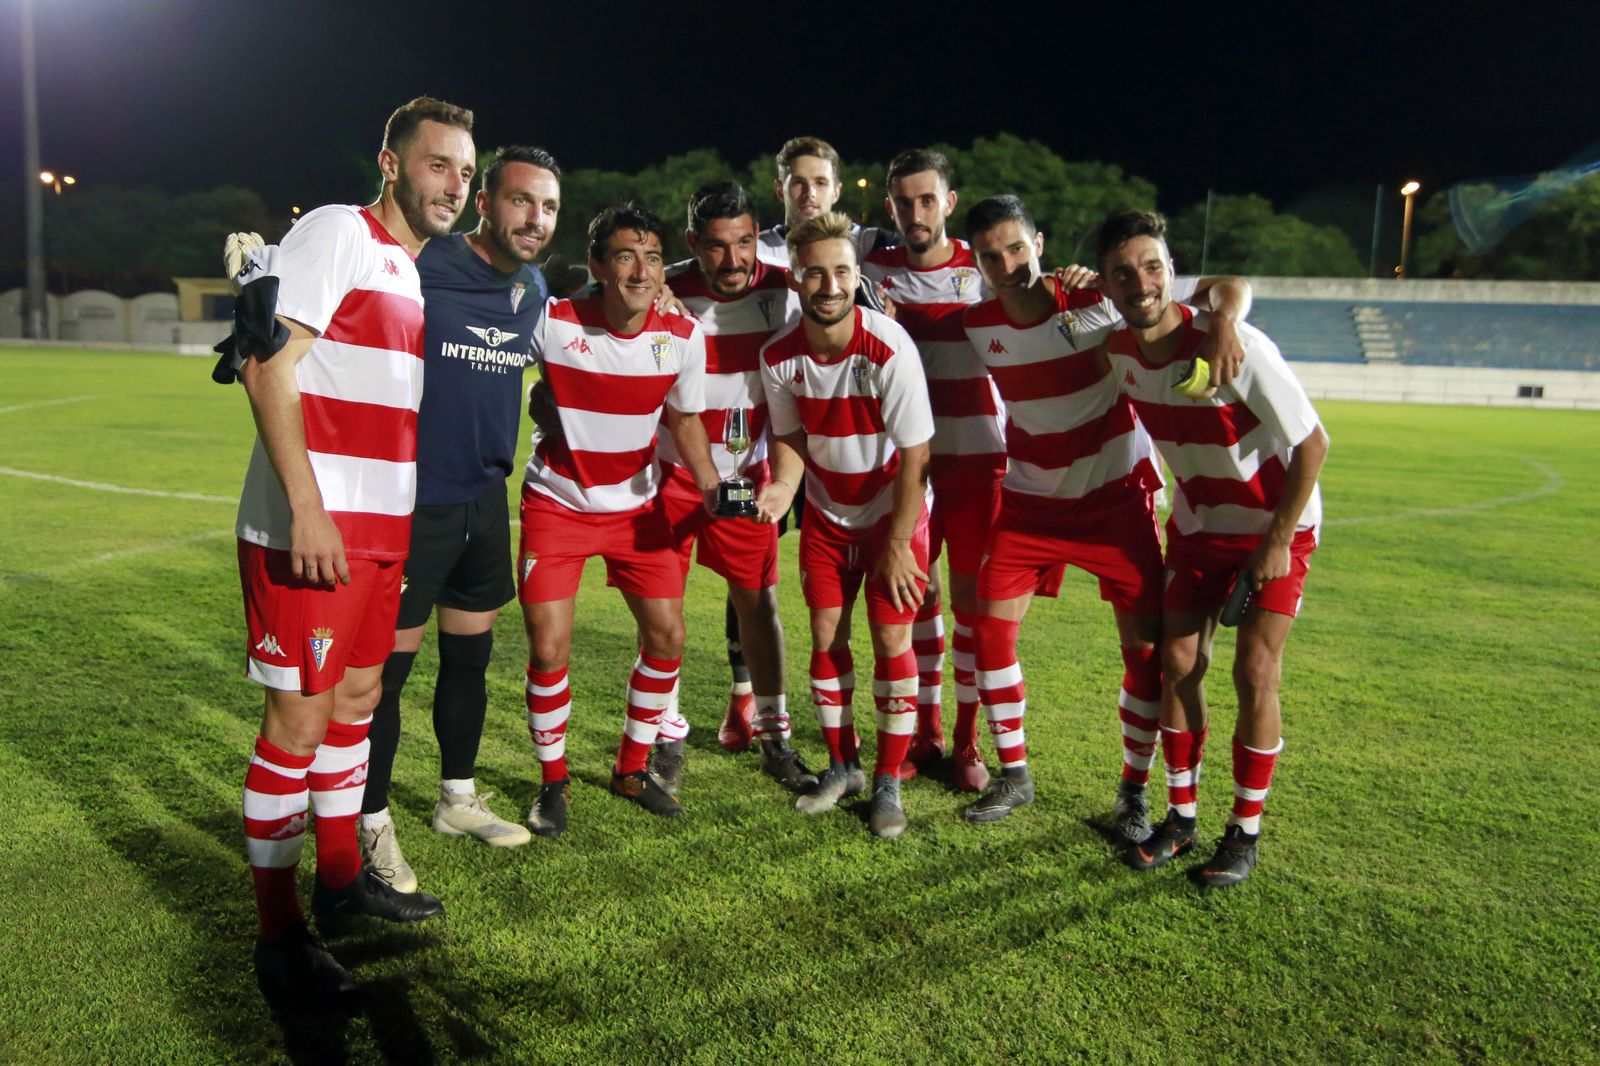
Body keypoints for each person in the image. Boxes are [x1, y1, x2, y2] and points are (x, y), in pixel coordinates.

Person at [235, 96, 474, 1006]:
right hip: (314, 532)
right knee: (297, 725)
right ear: (390, 162)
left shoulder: (412, 272)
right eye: (435, 163)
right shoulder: (338, 231)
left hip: (378, 536)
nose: (451, 184)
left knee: (358, 702)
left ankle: (340, 882)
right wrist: (306, 508)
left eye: (463, 170)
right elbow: (268, 363)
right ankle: (278, 934)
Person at [960, 194, 1252, 837]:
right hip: (1030, 506)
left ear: (1039, 243)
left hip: (1116, 501)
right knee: (988, 635)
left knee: (1145, 655)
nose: (1007, 263)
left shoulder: (1096, 303)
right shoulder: (978, 326)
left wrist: (1226, 321)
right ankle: (1015, 774)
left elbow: (1224, 285)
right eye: (991, 254)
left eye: (1016, 247)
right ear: (977, 262)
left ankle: (1132, 791)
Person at [1096, 210, 1328, 887]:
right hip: (1198, 527)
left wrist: (1277, 541)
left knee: (1255, 673)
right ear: (1107, 287)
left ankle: (1244, 831)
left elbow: (1313, 444)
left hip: (1273, 530)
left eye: (1151, 266)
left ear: (1173, 273)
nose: (1139, 281)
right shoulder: (1119, 352)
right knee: (1176, 663)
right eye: (1122, 272)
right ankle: (1182, 815)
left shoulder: (1235, 343)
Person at [354, 147, 563, 892]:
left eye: (547, 208)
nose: (534, 220)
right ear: (485, 204)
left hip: (485, 499)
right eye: (520, 202)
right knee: (388, 676)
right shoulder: (426, 263)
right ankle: (370, 822)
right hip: (418, 504)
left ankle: (456, 798)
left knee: (470, 661)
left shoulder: (533, 287)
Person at [519, 201, 719, 836]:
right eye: (626, 256)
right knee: (549, 648)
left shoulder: (683, 337)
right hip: (557, 502)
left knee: (669, 637)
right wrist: (533, 399)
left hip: (638, 507)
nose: (640, 270)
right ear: (598, 266)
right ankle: (552, 783)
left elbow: (685, 421)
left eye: (653, 257)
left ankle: (632, 769)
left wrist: (714, 486)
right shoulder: (551, 323)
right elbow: (492, 360)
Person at [757, 210, 934, 839]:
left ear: (856, 276)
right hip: (829, 519)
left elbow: (916, 454)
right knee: (826, 640)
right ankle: (843, 765)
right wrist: (782, 486)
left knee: (891, 645)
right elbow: (790, 438)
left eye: (840, 272)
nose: (828, 285)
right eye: (814, 273)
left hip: (893, 518)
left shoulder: (888, 346)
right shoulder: (778, 357)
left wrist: (897, 545)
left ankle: (888, 779)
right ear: (796, 279)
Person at [648, 180, 816, 792]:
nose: (734, 259)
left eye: (744, 241)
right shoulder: (661, 283)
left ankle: (775, 736)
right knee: (663, 614)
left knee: (757, 603)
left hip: (746, 481)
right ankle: (664, 735)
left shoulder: (784, 286)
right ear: (694, 244)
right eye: (717, 247)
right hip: (670, 476)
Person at [859, 149, 1000, 791]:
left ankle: (969, 743)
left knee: (971, 607)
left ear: (947, 201)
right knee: (917, 600)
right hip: (908, 466)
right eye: (903, 202)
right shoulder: (870, 266)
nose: (915, 213)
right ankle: (927, 731)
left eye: (926, 199)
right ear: (889, 207)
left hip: (977, 463)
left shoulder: (988, 265)